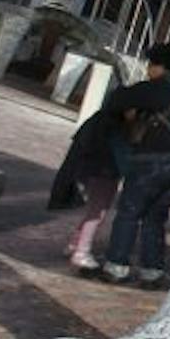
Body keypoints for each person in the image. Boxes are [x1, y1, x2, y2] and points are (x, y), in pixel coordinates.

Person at [97, 43, 170, 287]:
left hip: (154, 160)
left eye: (151, 65)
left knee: (129, 212)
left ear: (161, 66)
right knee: (155, 216)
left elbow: (116, 100)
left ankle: (116, 266)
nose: (148, 70)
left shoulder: (158, 88)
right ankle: (152, 271)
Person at [50, 100, 127, 276]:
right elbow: (120, 155)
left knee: (95, 210)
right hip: (104, 171)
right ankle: (81, 252)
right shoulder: (115, 128)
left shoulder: (99, 120)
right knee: (97, 212)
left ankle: (74, 244)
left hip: (92, 168)